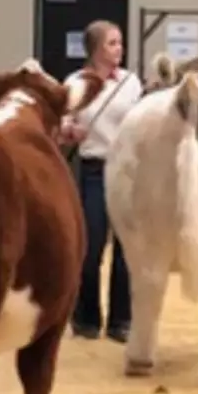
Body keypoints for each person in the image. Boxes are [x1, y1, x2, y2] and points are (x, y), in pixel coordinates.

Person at [61, 20, 142, 343]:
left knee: (127, 248)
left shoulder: (131, 82)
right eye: (111, 43)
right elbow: (63, 120)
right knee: (91, 246)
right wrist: (70, 131)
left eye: (120, 43)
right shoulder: (75, 82)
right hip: (94, 168)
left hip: (127, 169)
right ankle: (86, 318)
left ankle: (122, 320)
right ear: (94, 48)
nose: (119, 49)